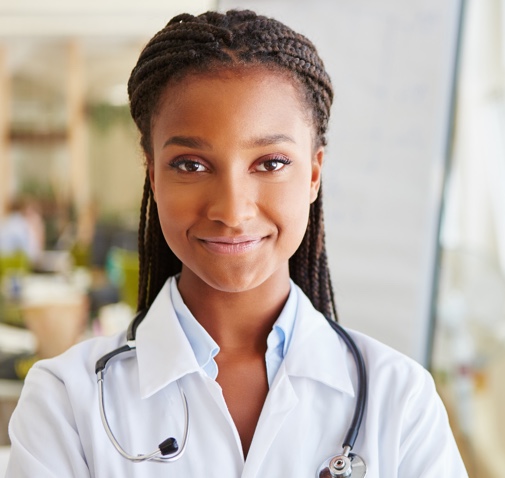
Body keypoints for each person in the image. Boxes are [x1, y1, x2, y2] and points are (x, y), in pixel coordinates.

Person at [5, 10, 468, 478]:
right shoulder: (65, 402)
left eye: (270, 163)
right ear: (152, 173)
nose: (232, 209)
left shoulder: (401, 400)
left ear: (313, 174)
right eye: (190, 164)